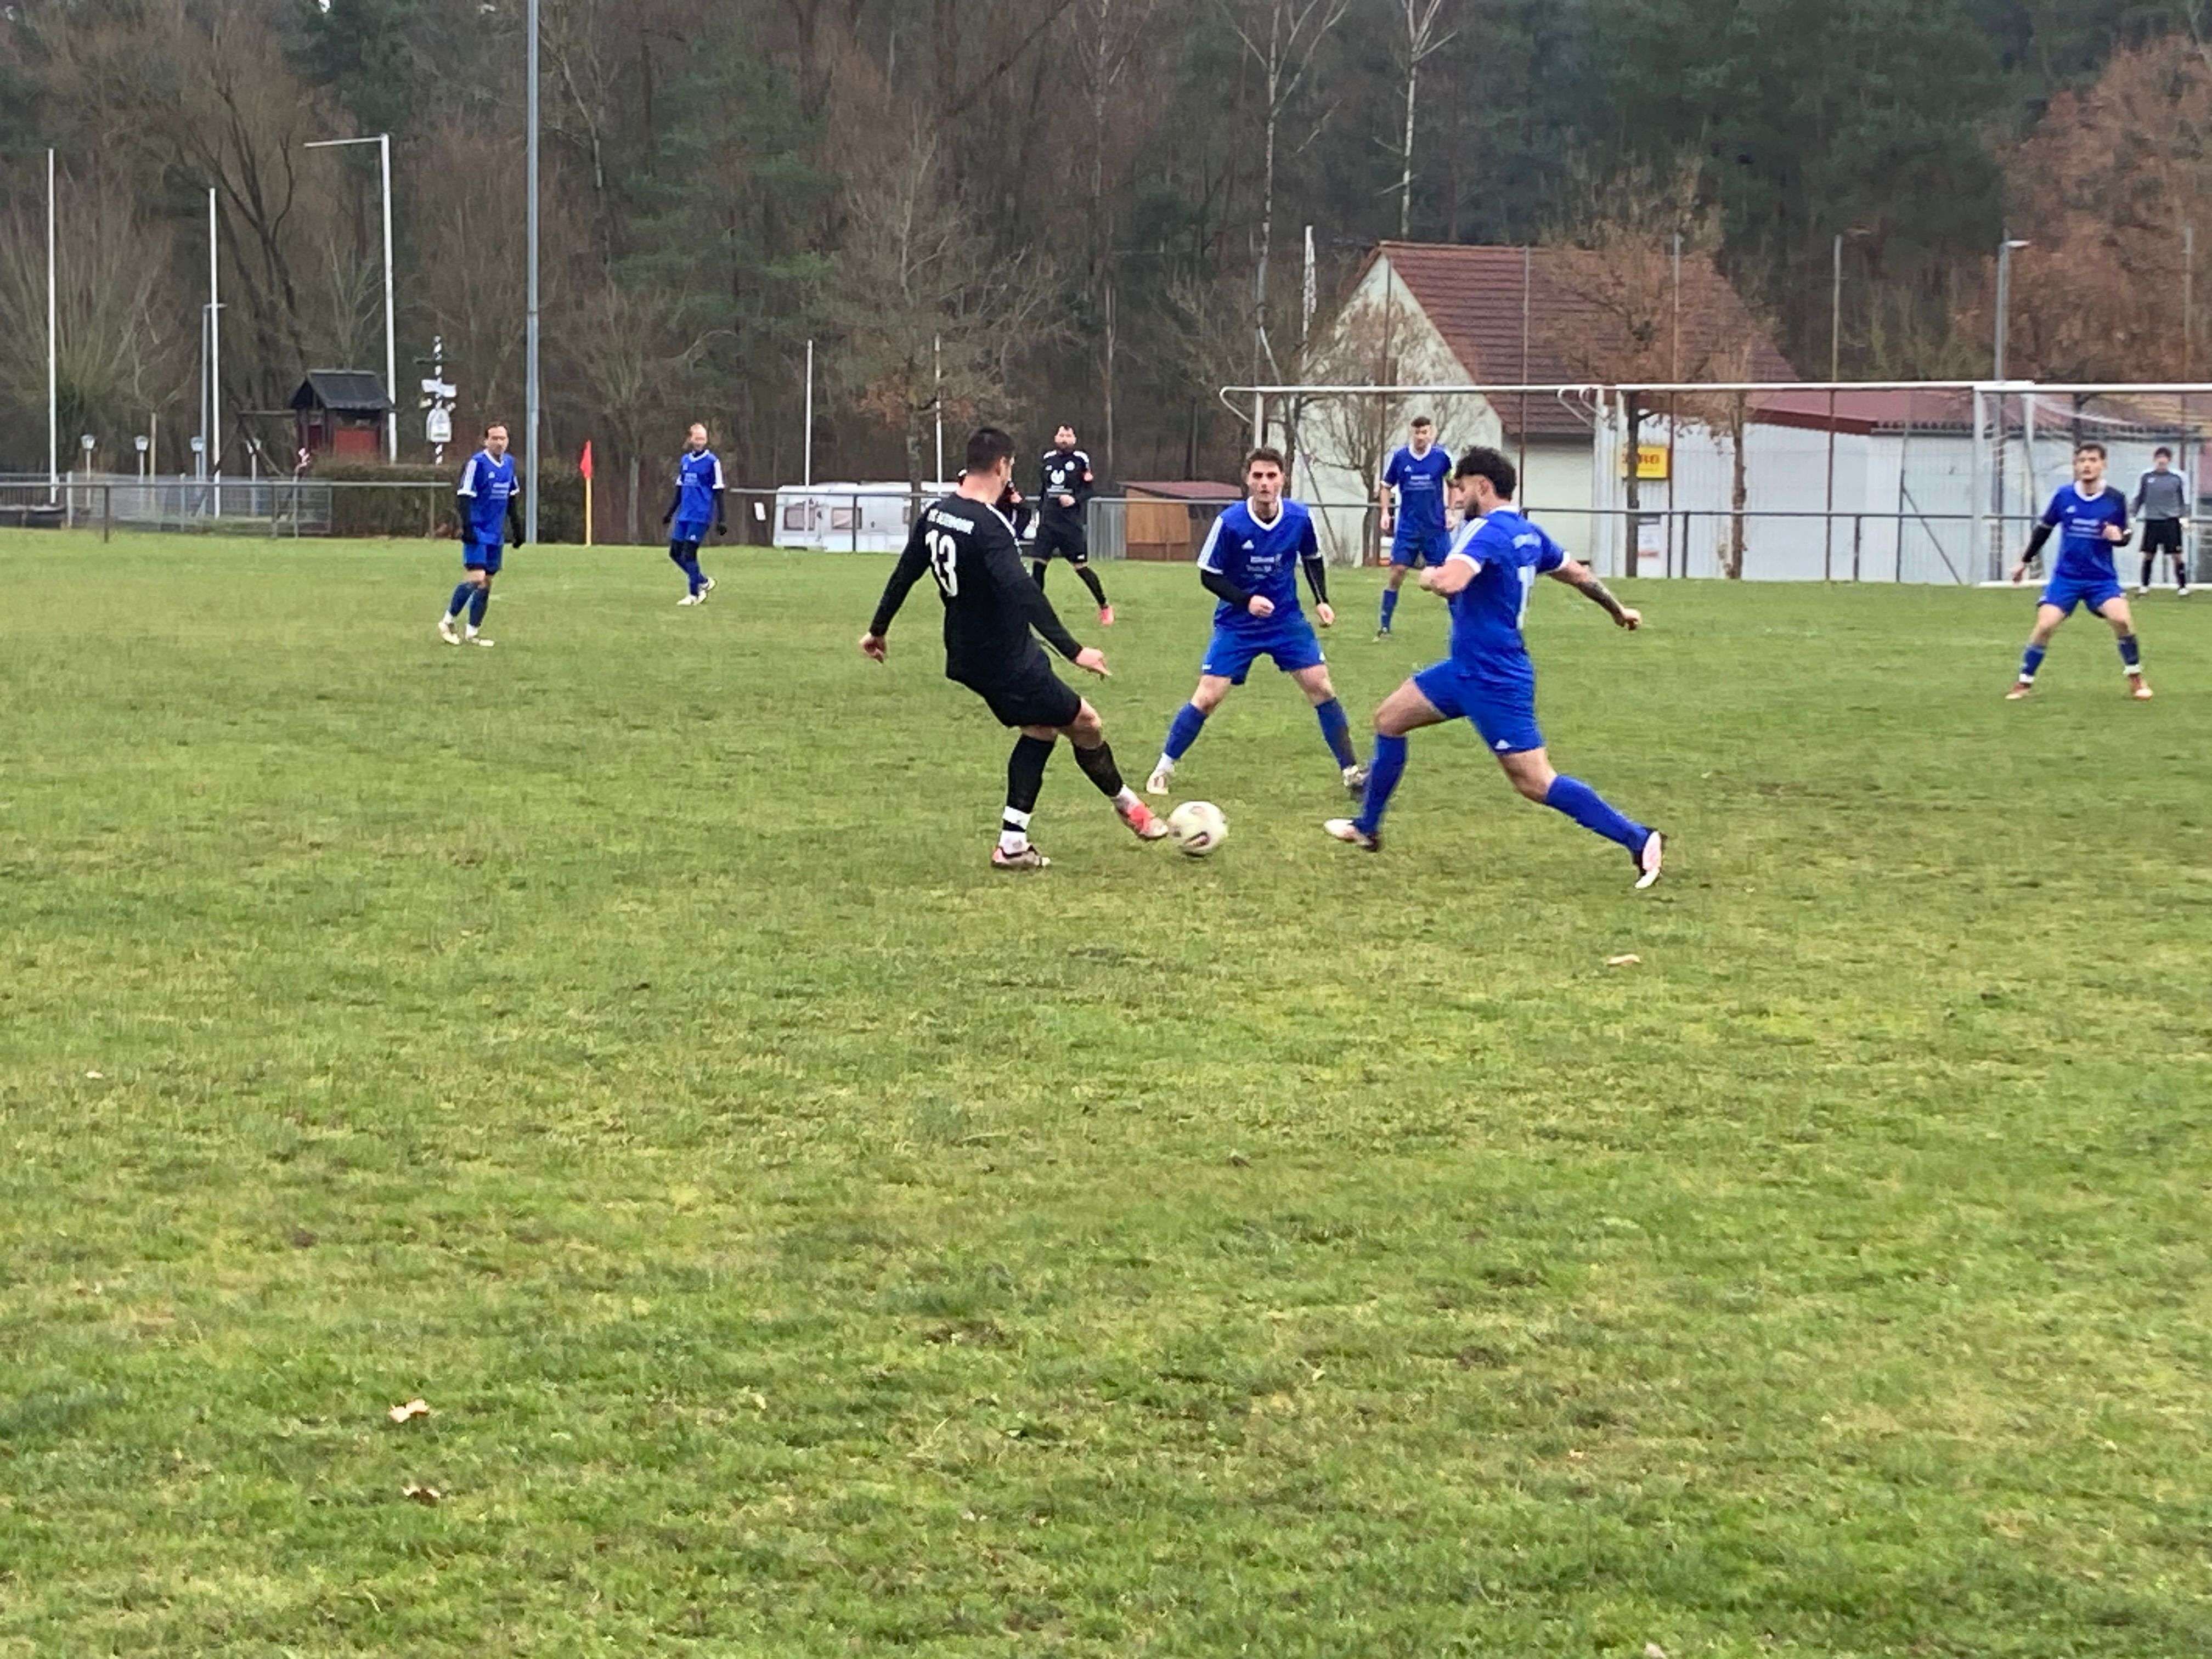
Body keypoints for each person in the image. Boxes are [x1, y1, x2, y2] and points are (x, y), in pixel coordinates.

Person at [1325, 445, 1664, 890]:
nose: (1456, 497)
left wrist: (1427, 575)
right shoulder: (1528, 533)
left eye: (1461, 488)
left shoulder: (1485, 531)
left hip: (1495, 678)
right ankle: (1367, 828)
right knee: (1389, 719)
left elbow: (1449, 581)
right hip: (1465, 668)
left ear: (1482, 487)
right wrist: (1618, 610)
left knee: (1535, 782)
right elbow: (1578, 574)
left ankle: (1640, 839)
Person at [862, 426, 1166, 870]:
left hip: (967, 654)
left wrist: (878, 628)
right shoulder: (989, 527)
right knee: (1086, 722)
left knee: (1041, 729)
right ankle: (1128, 807)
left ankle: (1014, 843)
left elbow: (905, 571)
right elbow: (1024, 591)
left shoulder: (936, 514)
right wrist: (1074, 650)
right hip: (1005, 658)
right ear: (1003, 466)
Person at [1144, 446, 1364, 799]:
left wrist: (1322, 601)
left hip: (1286, 621)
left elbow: (1312, 559)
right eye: (1258, 476)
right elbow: (1208, 575)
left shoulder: (1299, 517)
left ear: (1283, 479)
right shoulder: (1230, 523)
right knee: (1208, 697)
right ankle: (1163, 768)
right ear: (1247, 479)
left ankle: (1352, 772)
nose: (1265, 483)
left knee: (1321, 687)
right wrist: (1246, 600)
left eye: (1272, 476)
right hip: (1238, 623)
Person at [2007, 441, 2153, 700]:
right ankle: (2024, 683)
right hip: (2067, 578)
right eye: (2082, 460)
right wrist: (2024, 562)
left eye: (2093, 460)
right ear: (2075, 465)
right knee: (2045, 625)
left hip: (2101, 579)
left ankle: (2136, 678)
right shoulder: (2064, 496)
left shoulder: (2115, 499)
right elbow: (2044, 530)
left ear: (2103, 464)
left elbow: (2126, 535)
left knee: (2121, 620)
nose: (2087, 465)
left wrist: (2118, 537)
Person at [439, 422, 521, 647]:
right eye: (494, 438)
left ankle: (472, 633)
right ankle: (447, 622)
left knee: (487, 582)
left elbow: (511, 498)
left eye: (503, 438)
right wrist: (467, 528)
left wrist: (517, 528)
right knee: (476, 577)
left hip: (496, 533)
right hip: (477, 529)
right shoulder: (477, 464)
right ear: (486, 441)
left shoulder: (510, 464)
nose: (499, 442)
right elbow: (464, 496)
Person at [1376, 415, 1453, 637]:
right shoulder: (1401, 458)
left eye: (1425, 432)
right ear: (1412, 433)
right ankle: (1384, 626)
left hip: (1435, 527)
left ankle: (1459, 627)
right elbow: (1386, 486)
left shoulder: (1442, 458)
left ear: (1432, 433)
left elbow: (1454, 484)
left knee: (1446, 579)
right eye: (1417, 433)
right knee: (1397, 572)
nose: (1421, 437)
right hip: (1409, 527)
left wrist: (1451, 512)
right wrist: (1385, 512)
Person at [1031, 424, 1110, 625]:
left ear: (1074, 440)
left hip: (1069, 525)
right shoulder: (1048, 459)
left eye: (1068, 435)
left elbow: (1090, 490)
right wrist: (1040, 512)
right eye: (1061, 434)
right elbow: (1043, 489)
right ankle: (1031, 611)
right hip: (1048, 523)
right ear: (1055, 438)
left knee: (1081, 568)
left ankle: (1104, 606)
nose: (1064, 438)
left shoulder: (1081, 460)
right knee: (1038, 567)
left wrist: (1074, 499)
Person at [661, 422, 726, 606]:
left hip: (701, 514)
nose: (700, 442)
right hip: (684, 515)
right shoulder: (685, 461)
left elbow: (719, 491)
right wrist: (670, 513)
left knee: (690, 553)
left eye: (703, 439)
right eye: (697, 438)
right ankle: (703, 581)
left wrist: (722, 519)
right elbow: (680, 490)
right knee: (675, 553)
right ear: (690, 439)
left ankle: (694, 594)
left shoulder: (712, 462)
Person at [2131, 445, 2192, 598]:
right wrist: (2132, 515)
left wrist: (2184, 517)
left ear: (2169, 460)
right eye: (2159, 457)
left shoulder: (2178, 477)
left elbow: (2185, 499)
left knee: (2177, 555)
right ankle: (2144, 587)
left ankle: (2182, 587)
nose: (2162, 461)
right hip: (2152, 520)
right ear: (2155, 459)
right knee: (2148, 554)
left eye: (2165, 458)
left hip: (2171, 521)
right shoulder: (2146, 476)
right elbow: (2138, 497)